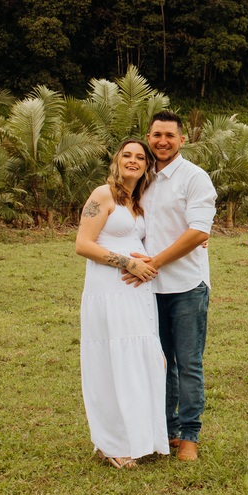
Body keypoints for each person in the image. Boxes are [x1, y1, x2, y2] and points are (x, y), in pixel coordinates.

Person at [124, 111, 217, 462]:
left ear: (182, 140)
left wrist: (155, 262)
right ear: (148, 137)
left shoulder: (194, 178)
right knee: (160, 362)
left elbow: (199, 231)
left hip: (186, 284)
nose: (162, 141)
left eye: (170, 136)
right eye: (157, 135)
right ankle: (167, 430)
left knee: (189, 362)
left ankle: (190, 436)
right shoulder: (141, 178)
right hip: (147, 289)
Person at [75, 139, 169, 469]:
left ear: (146, 166)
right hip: (109, 290)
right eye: (126, 155)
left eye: (140, 157)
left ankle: (140, 438)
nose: (133, 160)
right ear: (117, 161)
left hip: (136, 294)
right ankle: (112, 443)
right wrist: (128, 263)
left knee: (142, 360)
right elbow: (83, 244)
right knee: (112, 361)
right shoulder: (103, 195)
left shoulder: (137, 202)